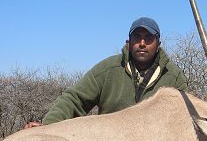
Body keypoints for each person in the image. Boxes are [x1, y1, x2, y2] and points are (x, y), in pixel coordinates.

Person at [25, 17, 187, 128]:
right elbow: (75, 99)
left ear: (158, 44)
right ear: (128, 42)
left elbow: (186, 118)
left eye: (149, 38)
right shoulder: (108, 68)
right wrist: (47, 127)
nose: (142, 43)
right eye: (137, 38)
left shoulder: (174, 77)